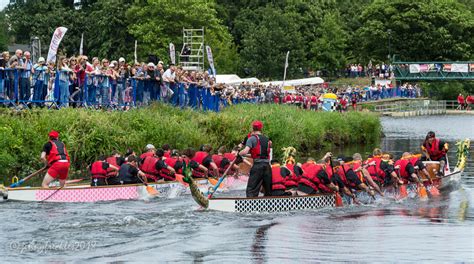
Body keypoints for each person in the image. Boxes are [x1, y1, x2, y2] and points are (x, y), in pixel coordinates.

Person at [239, 120, 272, 197]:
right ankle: (268, 203)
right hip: (267, 166)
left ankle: (250, 205)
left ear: (252, 128)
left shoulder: (251, 138)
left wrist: (238, 153)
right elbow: (261, 154)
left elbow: (245, 151)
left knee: (251, 189)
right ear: (261, 128)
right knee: (267, 189)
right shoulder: (267, 139)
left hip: (257, 166)